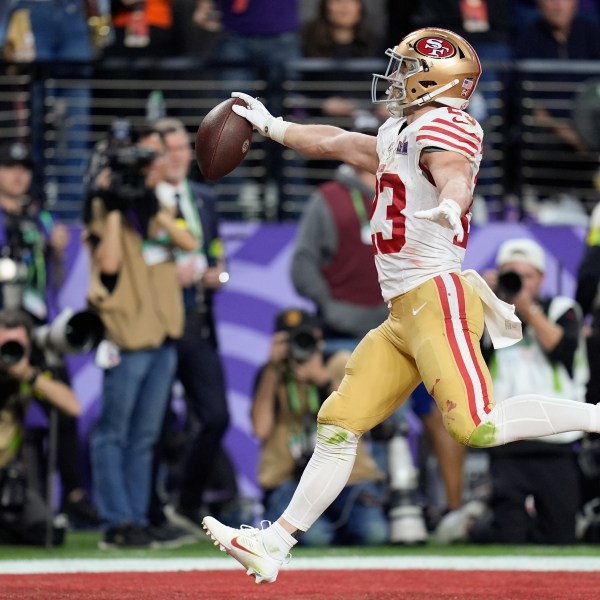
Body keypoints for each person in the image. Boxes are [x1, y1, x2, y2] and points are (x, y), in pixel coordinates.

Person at [202, 27, 600, 584]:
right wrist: (272, 126)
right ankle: (273, 543)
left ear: (435, 80)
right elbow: (338, 142)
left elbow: (454, 173)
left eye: (406, 67)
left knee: (477, 427)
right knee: (338, 422)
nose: (394, 78)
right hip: (401, 315)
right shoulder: (401, 130)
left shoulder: (444, 125)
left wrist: (450, 203)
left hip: (437, 299)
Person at [83, 125, 198, 549]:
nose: (157, 166)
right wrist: (114, 206)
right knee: (113, 432)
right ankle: (116, 521)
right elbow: (109, 264)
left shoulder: (152, 207)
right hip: (126, 334)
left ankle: (135, 517)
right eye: (148, 160)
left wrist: (153, 207)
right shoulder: (101, 206)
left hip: (162, 334)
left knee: (145, 435)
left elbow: (188, 241)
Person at [436, 238, 587, 544]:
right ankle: (476, 526)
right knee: (509, 537)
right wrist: (486, 300)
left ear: (541, 278)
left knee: (561, 538)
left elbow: (562, 348)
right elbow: (467, 356)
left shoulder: (561, 309)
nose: (518, 283)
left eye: (526, 276)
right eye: (510, 274)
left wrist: (527, 308)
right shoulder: (489, 315)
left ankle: (475, 524)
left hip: (556, 442)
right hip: (508, 440)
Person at [0, 140, 99, 530]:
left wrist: (55, 252)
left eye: (24, 168)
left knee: (62, 405)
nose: (18, 175)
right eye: (9, 166)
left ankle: (73, 496)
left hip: (36, 326)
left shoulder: (40, 218)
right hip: (4, 324)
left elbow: (49, 281)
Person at [149, 117, 232, 535]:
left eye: (183, 147)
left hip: (198, 321)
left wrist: (217, 273)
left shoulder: (203, 198)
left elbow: (218, 257)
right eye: (169, 150)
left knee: (216, 416)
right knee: (155, 423)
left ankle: (186, 502)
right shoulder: (144, 202)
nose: (179, 156)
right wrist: (167, 270)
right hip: (157, 324)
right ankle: (149, 513)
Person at [253, 308, 388, 546]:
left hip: (350, 479)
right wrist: (272, 370)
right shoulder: (271, 374)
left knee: (373, 534)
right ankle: (331, 528)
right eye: (289, 340)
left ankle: (340, 526)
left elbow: (364, 418)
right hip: (290, 481)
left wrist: (324, 380)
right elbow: (260, 429)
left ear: (318, 337)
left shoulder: (342, 364)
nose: (297, 346)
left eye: (303, 338)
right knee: (315, 539)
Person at [0, 308, 80, 545]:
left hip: (6, 473)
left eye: (17, 345)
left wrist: (28, 374)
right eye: (4, 344)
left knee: (46, 533)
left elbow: (73, 407)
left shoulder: (32, 366)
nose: (9, 352)